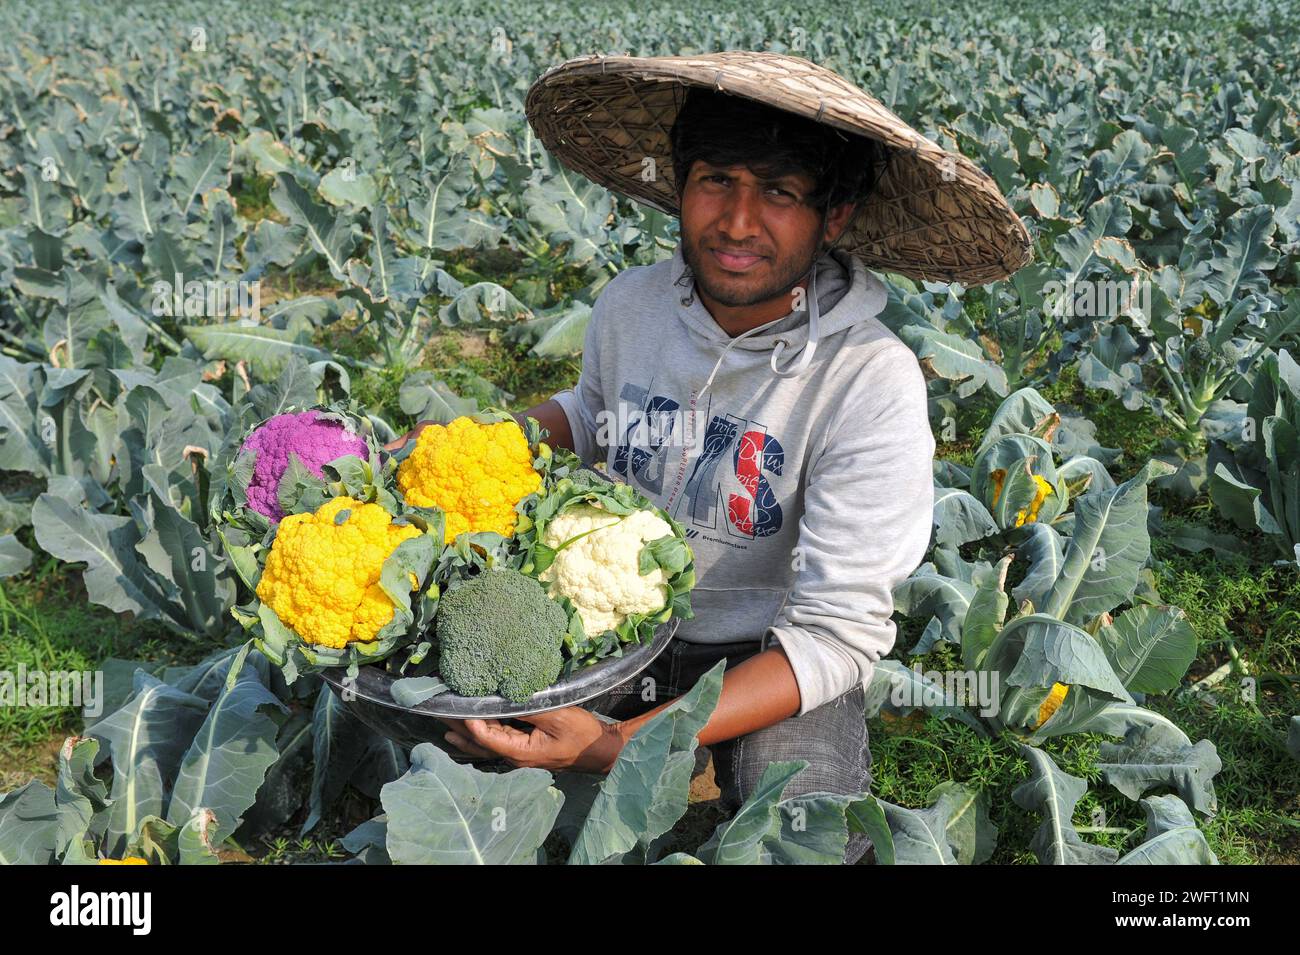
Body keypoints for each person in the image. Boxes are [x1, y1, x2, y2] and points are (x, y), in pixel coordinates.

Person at [385, 52, 1030, 864]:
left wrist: (618, 743)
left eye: (782, 193)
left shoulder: (870, 381)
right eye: (716, 179)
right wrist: (472, 449)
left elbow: (834, 636)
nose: (736, 222)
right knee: (452, 739)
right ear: (679, 185)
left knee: (803, 838)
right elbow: (591, 414)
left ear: (834, 216)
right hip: (615, 626)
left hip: (773, 655)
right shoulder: (632, 304)